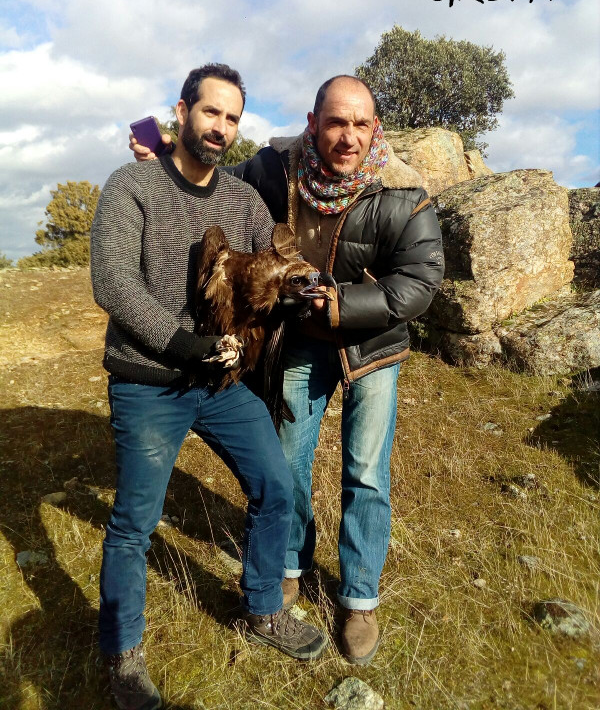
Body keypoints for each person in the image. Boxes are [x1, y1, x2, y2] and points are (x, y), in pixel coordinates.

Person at [132, 74, 444, 667]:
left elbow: (421, 283)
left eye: (359, 124)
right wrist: (163, 158)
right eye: (335, 123)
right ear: (312, 122)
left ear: (375, 127)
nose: (347, 137)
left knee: (366, 473)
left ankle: (358, 598)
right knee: (288, 463)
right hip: (300, 343)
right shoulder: (275, 171)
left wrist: (343, 304)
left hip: (373, 348)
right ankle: (290, 566)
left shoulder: (404, 192)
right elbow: (212, 186)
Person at [92, 64, 327, 710]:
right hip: (150, 381)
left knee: (276, 487)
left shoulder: (242, 202)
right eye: (210, 112)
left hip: (221, 382)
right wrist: (183, 344)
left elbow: (267, 277)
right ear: (182, 111)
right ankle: (124, 656)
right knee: (135, 523)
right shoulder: (131, 187)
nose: (220, 127)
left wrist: (298, 291)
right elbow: (113, 285)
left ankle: (262, 610)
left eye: (231, 118)